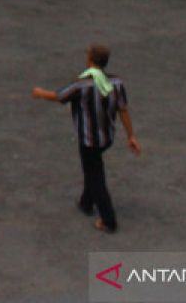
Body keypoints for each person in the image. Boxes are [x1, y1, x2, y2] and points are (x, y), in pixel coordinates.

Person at [32, 43, 140, 233]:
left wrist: (40, 93)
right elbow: (123, 110)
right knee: (92, 168)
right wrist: (131, 135)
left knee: (96, 176)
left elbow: (58, 96)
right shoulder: (116, 83)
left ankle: (108, 220)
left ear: (90, 59)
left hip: (89, 140)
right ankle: (86, 202)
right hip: (107, 137)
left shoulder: (81, 85)